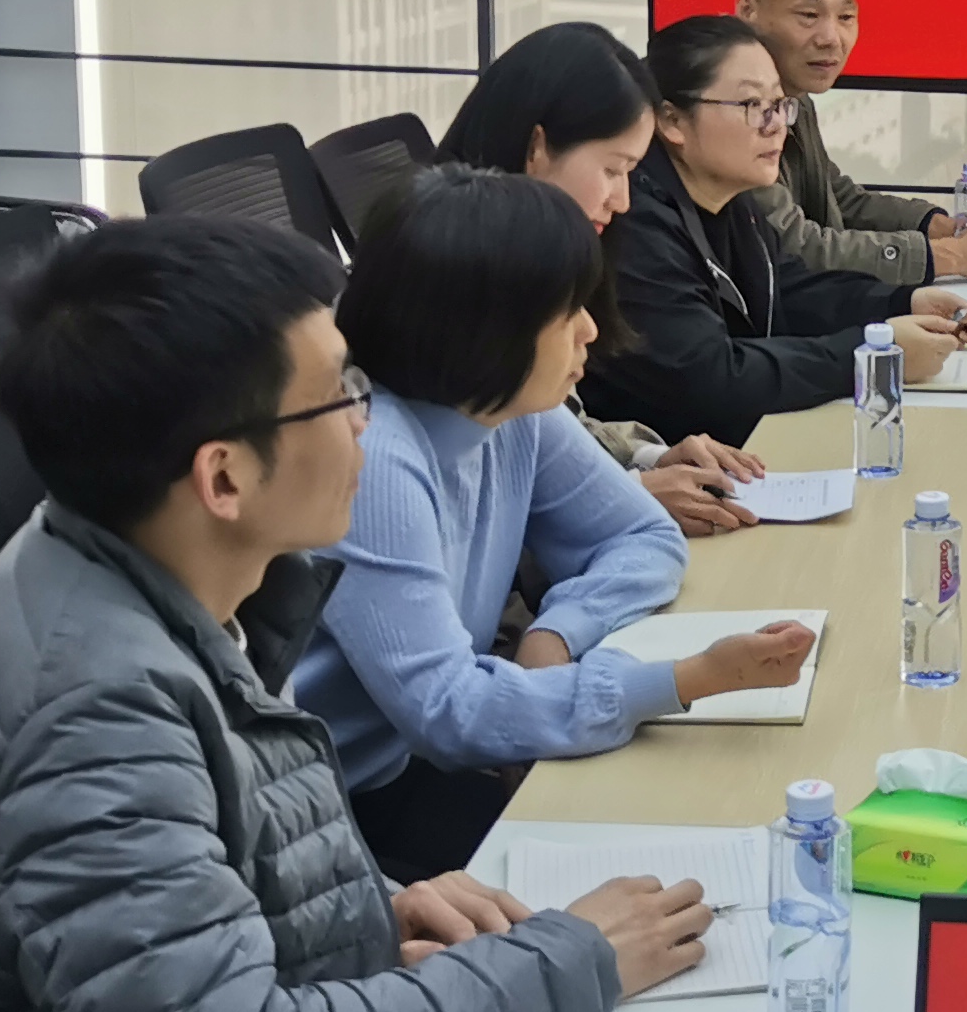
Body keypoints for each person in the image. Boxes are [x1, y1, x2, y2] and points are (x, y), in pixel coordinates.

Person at [0, 214, 719, 1012]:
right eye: (341, 394)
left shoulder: (159, 571)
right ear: (223, 478)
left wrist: (373, 913)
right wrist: (574, 962)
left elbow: (201, 909)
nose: (368, 420)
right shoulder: (96, 716)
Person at [292, 167, 820, 881]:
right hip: (334, 806)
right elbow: (451, 713)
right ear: (485, 330)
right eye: (567, 312)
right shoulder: (376, 458)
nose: (592, 330)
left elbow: (645, 537)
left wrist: (556, 634)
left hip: (413, 760)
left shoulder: (511, 409)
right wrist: (690, 677)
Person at [582, 14, 967, 445]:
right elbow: (709, 378)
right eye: (752, 105)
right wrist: (869, 357)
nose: (776, 125)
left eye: (779, 105)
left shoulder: (731, 198)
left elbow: (787, 288)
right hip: (671, 468)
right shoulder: (633, 223)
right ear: (672, 120)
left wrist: (901, 302)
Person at [435, 20, 764, 536]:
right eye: (612, 170)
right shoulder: (452, 277)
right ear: (537, 147)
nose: (623, 200)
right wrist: (631, 492)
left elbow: (559, 427)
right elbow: (480, 489)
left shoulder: (530, 253)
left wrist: (649, 458)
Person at [730, 0, 967, 282]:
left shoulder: (792, 95)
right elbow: (795, 248)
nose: (831, 39)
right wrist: (955, 255)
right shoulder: (729, 108)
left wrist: (947, 228)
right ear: (747, 10)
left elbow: (840, 199)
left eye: (846, 17)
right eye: (809, 15)